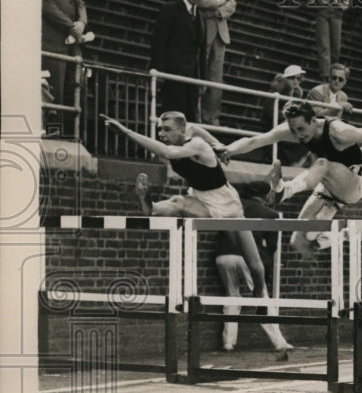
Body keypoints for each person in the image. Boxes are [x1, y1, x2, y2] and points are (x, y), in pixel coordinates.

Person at [102, 111, 269, 309]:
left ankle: (260, 294)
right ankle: (144, 198)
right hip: (200, 199)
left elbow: (168, 152)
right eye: (159, 130)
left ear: (182, 131)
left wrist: (126, 131)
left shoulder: (196, 145)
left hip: (227, 203)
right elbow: (196, 128)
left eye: (167, 130)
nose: (161, 134)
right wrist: (219, 146)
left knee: (255, 265)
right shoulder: (187, 132)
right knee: (177, 202)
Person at [223, 100, 362, 257]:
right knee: (299, 242)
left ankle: (284, 190)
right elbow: (256, 140)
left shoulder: (339, 132)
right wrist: (227, 150)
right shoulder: (297, 128)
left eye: (301, 129)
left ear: (313, 121)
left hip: (354, 185)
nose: (298, 135)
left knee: (323, 164)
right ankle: (354, 236)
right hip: (328, 188)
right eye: (293, 130)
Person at [215, 183, 292, 357]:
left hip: (223, 254)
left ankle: (228, 342)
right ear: (265, 196)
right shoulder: (271, 214)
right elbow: (272, 247)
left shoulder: (234, 206)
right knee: (262, 298)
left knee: (232, 297)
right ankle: (279, 343)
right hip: (248, 257)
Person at [183, 0, 236, 126]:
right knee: (198, 74)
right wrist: (219, 1)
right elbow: (198, 0)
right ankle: (195, 116)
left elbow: (233, 4)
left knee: (216, 79)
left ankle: (211, 118)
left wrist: (220, 11)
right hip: (200, 28)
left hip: (220, 31)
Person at [42, 0, 89, 129]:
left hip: (72, 43)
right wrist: (72, 27)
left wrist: (82, 23)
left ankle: (71, 136)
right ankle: (53, 137)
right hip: (51, 42)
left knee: (76, 92)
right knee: (54, 95)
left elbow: (80, 3)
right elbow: (45, 3)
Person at [150, 0, 211, 121]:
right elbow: (158, 43)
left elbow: (202, 51)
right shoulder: (170, 9)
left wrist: (203, 79)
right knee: (172, 116)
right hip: (172, 74)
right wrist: (159, 72)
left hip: (192, 77)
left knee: (190, 118)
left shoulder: (202, 16)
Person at [257, 72, 311, 167]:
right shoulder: (273, 95)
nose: (295, 81)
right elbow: (271, 114)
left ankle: (298, 164)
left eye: (298, 79)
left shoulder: (295, 96)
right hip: (272, 128)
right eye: (292, 78)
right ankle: (295, 165)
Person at [313, 0, 350, 81]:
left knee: (336, 46)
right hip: (322, 12)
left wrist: (343, 6)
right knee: (324, 44)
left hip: (336, 14)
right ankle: (324, 74)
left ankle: (334, 73)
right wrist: (315, 2)